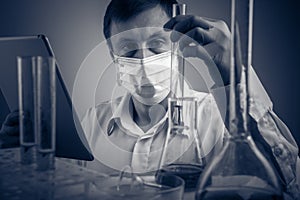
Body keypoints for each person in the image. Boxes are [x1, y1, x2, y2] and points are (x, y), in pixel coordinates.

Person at [80, 0, 300, 197]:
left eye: (156, 45)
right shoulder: (92, 122)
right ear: (112, 56)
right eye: (128, 50)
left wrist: (234, 74)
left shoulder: (220, 121)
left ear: (178, 45)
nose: (145, 62)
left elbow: (291, 187)